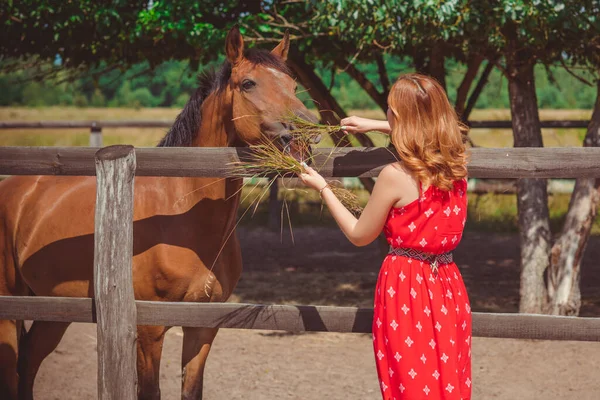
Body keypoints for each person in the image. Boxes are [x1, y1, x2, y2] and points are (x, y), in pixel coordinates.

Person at [298, 73, 471, 400]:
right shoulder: (456, 162)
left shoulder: (395, 177)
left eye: (391, 110)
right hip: (448, 284)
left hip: (406, 286)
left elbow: (359, 235)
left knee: (411, 386)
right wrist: (376, 124)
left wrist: (323, 187)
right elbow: (435, 129)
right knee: (448, 383)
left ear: (400, 118)